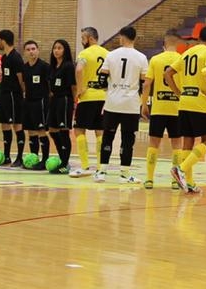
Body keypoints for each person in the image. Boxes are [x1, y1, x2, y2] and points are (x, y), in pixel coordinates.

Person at [170, 25, 206, 194]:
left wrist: (179, 93)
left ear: (198, 38)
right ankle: (181, 169)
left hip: (184, 102)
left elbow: (168, 73)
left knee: (188, 142)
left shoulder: (187, 52)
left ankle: (189, 183)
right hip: (200, 102)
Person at [100, 27, 148, 183]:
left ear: (122, 37)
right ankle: (124, 174)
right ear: (135, 38)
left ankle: (101, 172)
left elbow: (102, 80)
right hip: (131, 104)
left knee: (108, 136)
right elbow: (144, 82)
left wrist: (113, 89)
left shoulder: (111, 55)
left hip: (112, 103)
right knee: (128, 139)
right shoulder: (141, 57)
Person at [143, 33, 185, 190]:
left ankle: (149, 179)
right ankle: (175, 181)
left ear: (164, 45)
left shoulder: (155, 59)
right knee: (177, 145)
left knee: (154, 143)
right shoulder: (182, 59)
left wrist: (144, 104)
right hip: (177, 109)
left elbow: (147, 84)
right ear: (177, 44)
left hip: (159, 109)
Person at [71, 27, 108, 177]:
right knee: (100, 131)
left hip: (87, 96)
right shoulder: (107, 53)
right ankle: (100, 167)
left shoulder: (84, 54)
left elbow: (79, 70)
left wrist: (80, 89)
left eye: (83, 38)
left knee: (79, 129)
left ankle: (85, 167)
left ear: (90, 38)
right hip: (103, 97)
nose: (82, 41)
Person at [18, 39, 50, 168]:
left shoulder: (44, 66)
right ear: (25, 52)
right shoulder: (24, 68)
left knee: (41, 130)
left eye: (33, 49)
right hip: (28, 102)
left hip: (41, 102)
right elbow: (24, 85)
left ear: (38, 50)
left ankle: (45, 160)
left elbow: (50, 87)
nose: (31, 52)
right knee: (31, 131)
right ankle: (34, 158)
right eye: (28, 50)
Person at [45, 38, 76, 173]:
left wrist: (74, 102)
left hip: (65, 99)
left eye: (60, 48)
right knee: (52, 130)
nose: (56, 50)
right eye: (55, 48)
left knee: (64, 131)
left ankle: (65, 163)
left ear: (65, 50)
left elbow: (73, 86)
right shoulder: (52, 66)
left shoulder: (68, 65)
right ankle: (62, 157)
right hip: (54, 100)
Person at [0, 30, 25, 165]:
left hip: (14, 96)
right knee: (5, 125)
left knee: (17, 125)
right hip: (5, 95)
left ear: (3, 40)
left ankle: (19, 157)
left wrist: (23, 94)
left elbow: (21, 79)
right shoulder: (4, 58)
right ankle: (7, 156)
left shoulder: (16, 57)